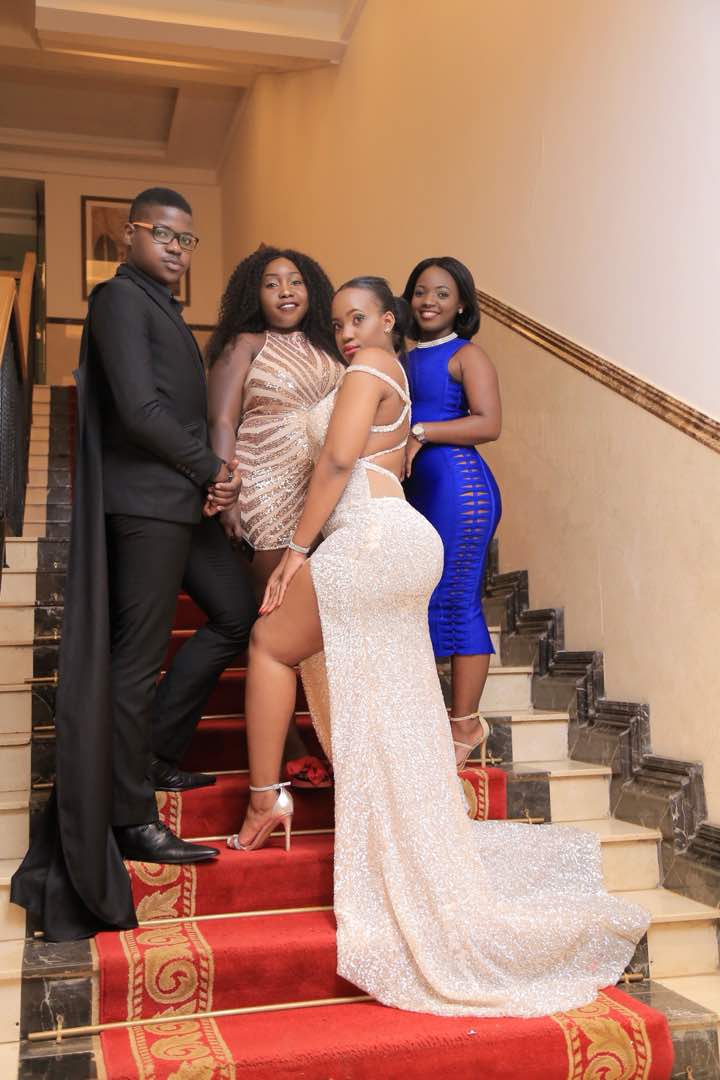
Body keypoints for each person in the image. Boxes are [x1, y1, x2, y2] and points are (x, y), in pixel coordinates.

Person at [225, 275, 650, 1018]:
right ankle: (375, 815)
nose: (347, 332)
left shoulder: (368, 367)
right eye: (338, 322)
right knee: (382, 686)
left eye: (359, 317)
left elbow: (335, 462)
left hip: (370, 535)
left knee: (268, 642)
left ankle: (266, 801)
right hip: (398, 536)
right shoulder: (390, 373)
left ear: (389, 319)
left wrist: (294, 552)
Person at [11, 187, 255, 941]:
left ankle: (151, 751)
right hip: (148, 504)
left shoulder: (162, 308)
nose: (178, 249)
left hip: (180, 500)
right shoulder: (118, 299)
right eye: (164, 234)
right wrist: (212, 468)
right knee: (136, 661)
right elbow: (140, 412)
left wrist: (205, 479)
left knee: (236, 613)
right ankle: (130, 816)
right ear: (130, 235)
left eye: (188, 239)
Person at [205, 247, 344, 787]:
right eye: (271, 283)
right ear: (253, 293)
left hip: (324, 490)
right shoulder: (245, 344)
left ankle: (331, 735)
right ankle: (288, 746)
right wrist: (227, 494)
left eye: (296, 281)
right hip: (263, 484)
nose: (286, 291)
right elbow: (222, 420)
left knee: (324, 620)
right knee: (276, 616)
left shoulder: (330, 345)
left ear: (313, 290)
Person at [402, 257, 501, 769]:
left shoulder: (467, 354)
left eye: (442, 293)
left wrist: (422, 433)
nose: (429, 301)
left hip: (461, 490)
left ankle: (465, 723)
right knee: (420, 599)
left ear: (461, 304)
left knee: (459, 598)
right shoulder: (401, 356)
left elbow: (489, 424)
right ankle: (435, 717)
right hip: (420, 490)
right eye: (421, 291)